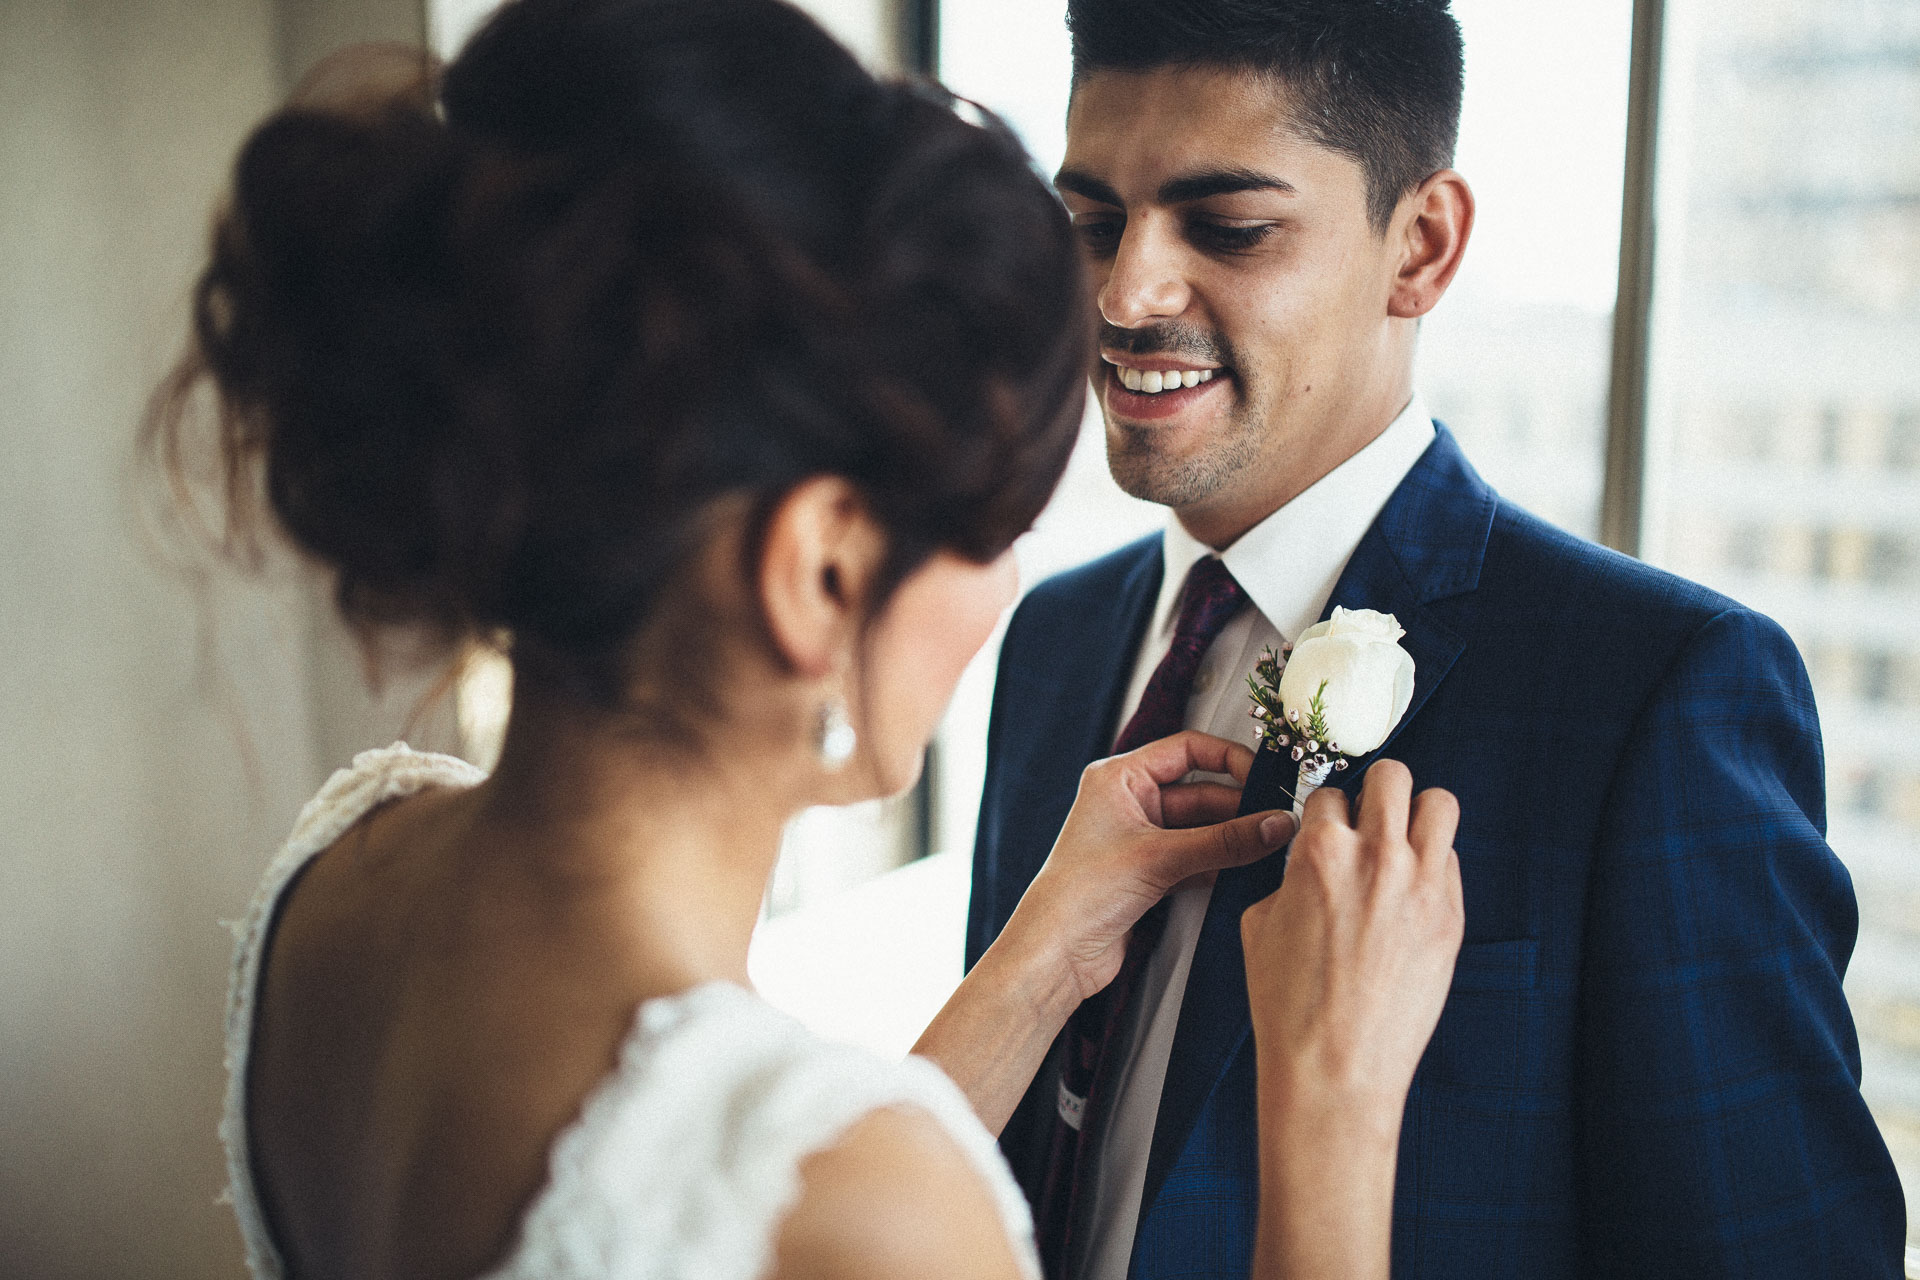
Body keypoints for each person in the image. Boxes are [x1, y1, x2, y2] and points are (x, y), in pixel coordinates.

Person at [150, 2, 1466, 1278]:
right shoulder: (870, 1206)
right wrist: (1334, 1111)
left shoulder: (339, 885)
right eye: (985, 524)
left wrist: (1044, 954)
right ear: (820, 569)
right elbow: (822, 1209)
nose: (1009, 587)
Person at [967, 1, 1907, 1277]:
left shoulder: (1660, 694)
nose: (1128, 291)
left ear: (1421, 245)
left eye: (1230, 227)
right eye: (1091, 222)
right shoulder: (1054, 642)